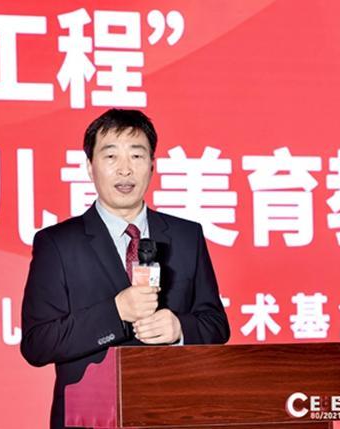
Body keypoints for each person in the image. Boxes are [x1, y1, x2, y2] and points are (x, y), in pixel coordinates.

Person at [20, 109, 230, 429]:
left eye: (136, 155)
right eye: (110, 156)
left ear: (152, 165)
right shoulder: (57, 244)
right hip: (90, 419)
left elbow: (216, 324)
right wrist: (116, 312)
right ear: (90, 166)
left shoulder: (187, 236)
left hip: (175, 416)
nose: (125, 169)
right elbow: (38, 344)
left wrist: (180, 329)